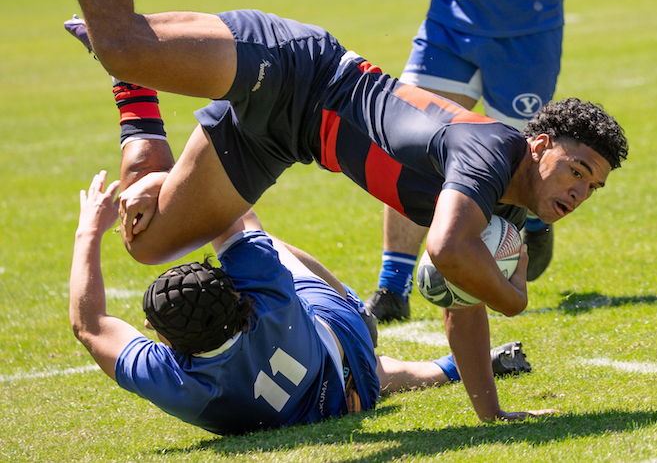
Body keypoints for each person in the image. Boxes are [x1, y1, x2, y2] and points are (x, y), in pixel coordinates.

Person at [0, 0, 627, 423]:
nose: (579, 192)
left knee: (150, 240)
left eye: (591, 187)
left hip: (288, 137)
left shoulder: (508, 210)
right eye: (577, 170)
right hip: (298, 71)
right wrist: (514, 296)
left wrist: (493, 414)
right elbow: (446, 253)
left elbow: (461, 308)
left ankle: (131, 84)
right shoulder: (493, 149)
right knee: (124, 41)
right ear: (539, 145)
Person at [357, 0, 619, 323]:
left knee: (510, 167)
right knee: (406, 148)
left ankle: (530, 228)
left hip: (527, 34)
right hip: (448, 26)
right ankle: (391, 287)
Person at [71, 172, 533, 434]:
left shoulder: (170, 378)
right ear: (237, 297)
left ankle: (450, 365)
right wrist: (159, 182)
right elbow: (227, 209)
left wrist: (86, 232)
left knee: (370, 371)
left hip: (346, 398)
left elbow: (90, 324)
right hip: (342, 335)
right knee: (264, 244)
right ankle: (378, 320)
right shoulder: (263, 297)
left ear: (168, 341)